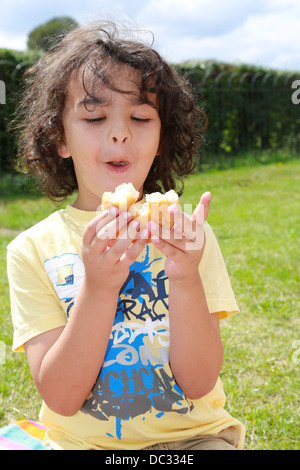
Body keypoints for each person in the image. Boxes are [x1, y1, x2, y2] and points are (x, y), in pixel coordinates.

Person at [7, 21, 245, 450]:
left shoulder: (188, 238)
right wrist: (98, 288)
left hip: (192, 440)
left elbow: (199, 381)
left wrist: (186, 277)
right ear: (60, 138)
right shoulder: (31, 251)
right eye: (95, 116)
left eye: (140, 116)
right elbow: (60, 398)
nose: (120, 132)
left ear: (160, 139)